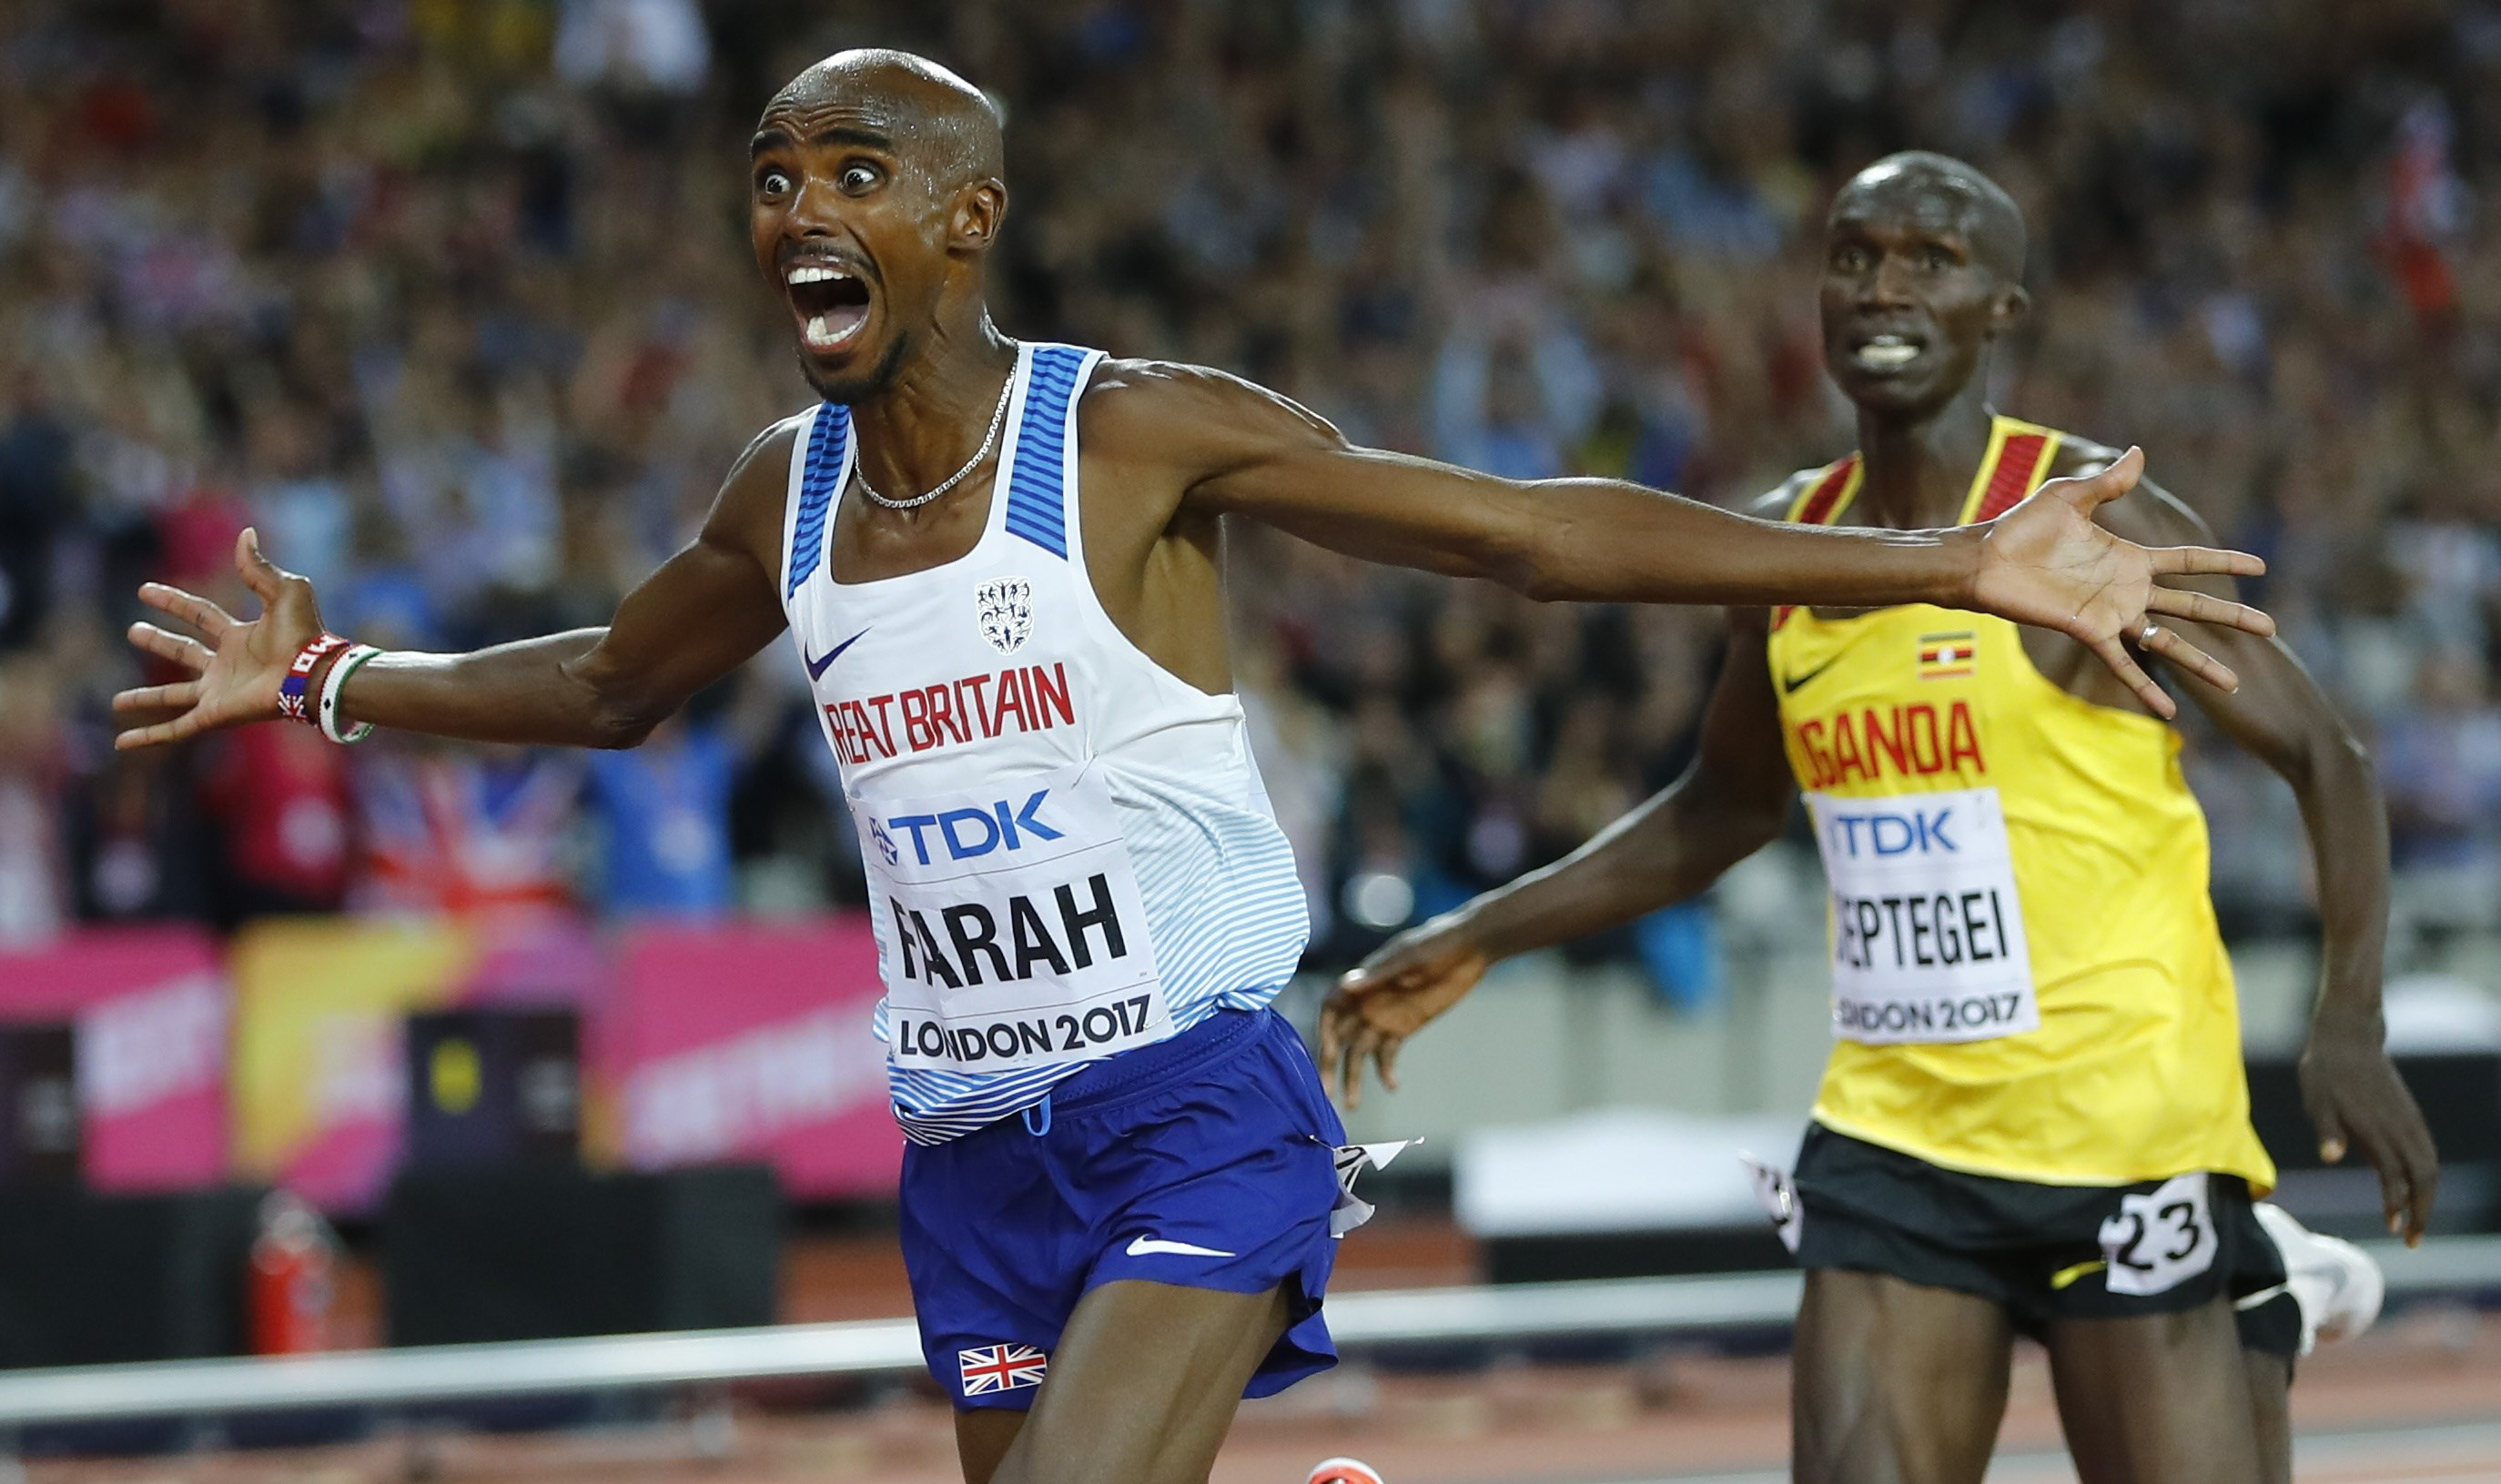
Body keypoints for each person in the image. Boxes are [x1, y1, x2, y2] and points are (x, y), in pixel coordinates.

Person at [114, 51, 2273, 1482]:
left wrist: (1951, 558)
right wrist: (330, 682)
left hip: (1194, 1112)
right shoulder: (785, 486)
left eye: (854, 174)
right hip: (971, 1147)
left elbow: (1527, 536)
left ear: (967, 216)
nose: (798, 210)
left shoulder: (1131, 433)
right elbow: (608, 685)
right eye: (772, 177)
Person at [1323, 153, 2437, 1484]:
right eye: (1854, 257)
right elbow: (1725, 807)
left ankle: (2258, 1282)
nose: (1882, 287)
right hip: (1898, 1135)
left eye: (1931, 260)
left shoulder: (2093, 515)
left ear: (2003, 307)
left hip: (2125, 1125)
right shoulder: (1790, 542)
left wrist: (2349, 1018)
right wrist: (1478, 931)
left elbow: (2327, 754)